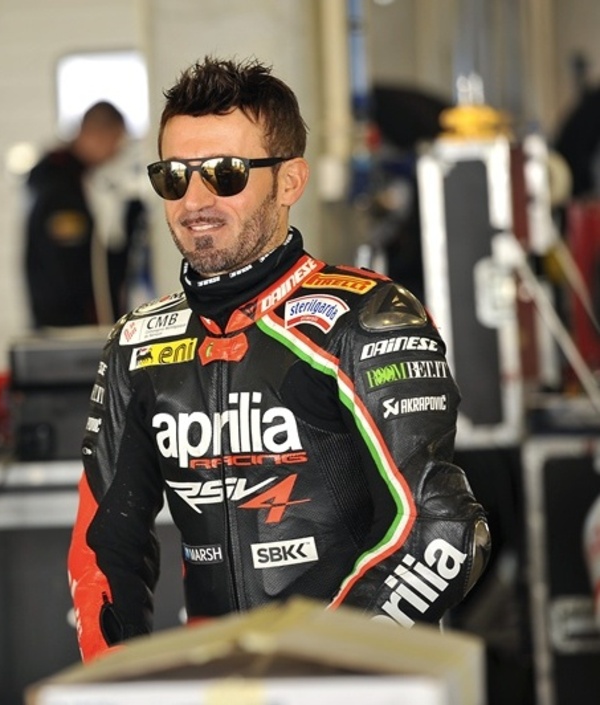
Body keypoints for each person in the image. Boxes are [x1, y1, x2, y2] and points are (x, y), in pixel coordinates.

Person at [68, 56, 491, 662]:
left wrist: (313, 671)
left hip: (358, 680)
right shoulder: (138, 343)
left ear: (290, 181)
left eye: (226, 174)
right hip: (221, 683)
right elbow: (104, 547)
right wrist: (117, 683)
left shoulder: (366, 320)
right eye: (174, 176)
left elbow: (444, 531)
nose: (195, 200)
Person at [23, 100, 137, 328]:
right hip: (68, 324)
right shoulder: (60, 187)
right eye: (115, 142)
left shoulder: (82, 179)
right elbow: (69, 264)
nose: (116, 152)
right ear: (97, 135)